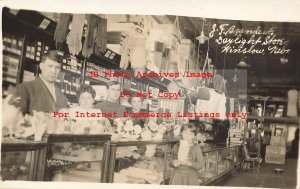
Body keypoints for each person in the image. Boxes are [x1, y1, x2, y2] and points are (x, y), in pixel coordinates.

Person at [15, 50, 68, 115]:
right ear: (41, 66)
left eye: (57, 67)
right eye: (50, 66)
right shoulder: (25, 89)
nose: (53, 71)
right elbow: (16, 120)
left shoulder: (63, 98)